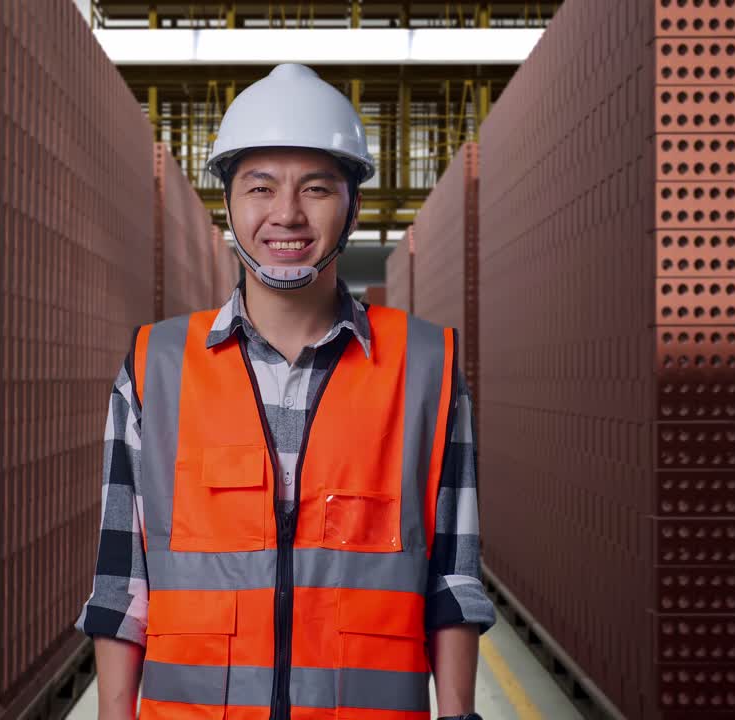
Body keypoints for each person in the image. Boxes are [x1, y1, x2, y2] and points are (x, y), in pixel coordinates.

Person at [76, 63, 495, 720]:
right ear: (230, 204)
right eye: (260, 187)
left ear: (352, 204)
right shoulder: (153, 368)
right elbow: (122, 586)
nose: (286, 214)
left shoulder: (426, 370)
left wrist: (461, 713)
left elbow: (454, 581)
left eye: (317, 189)